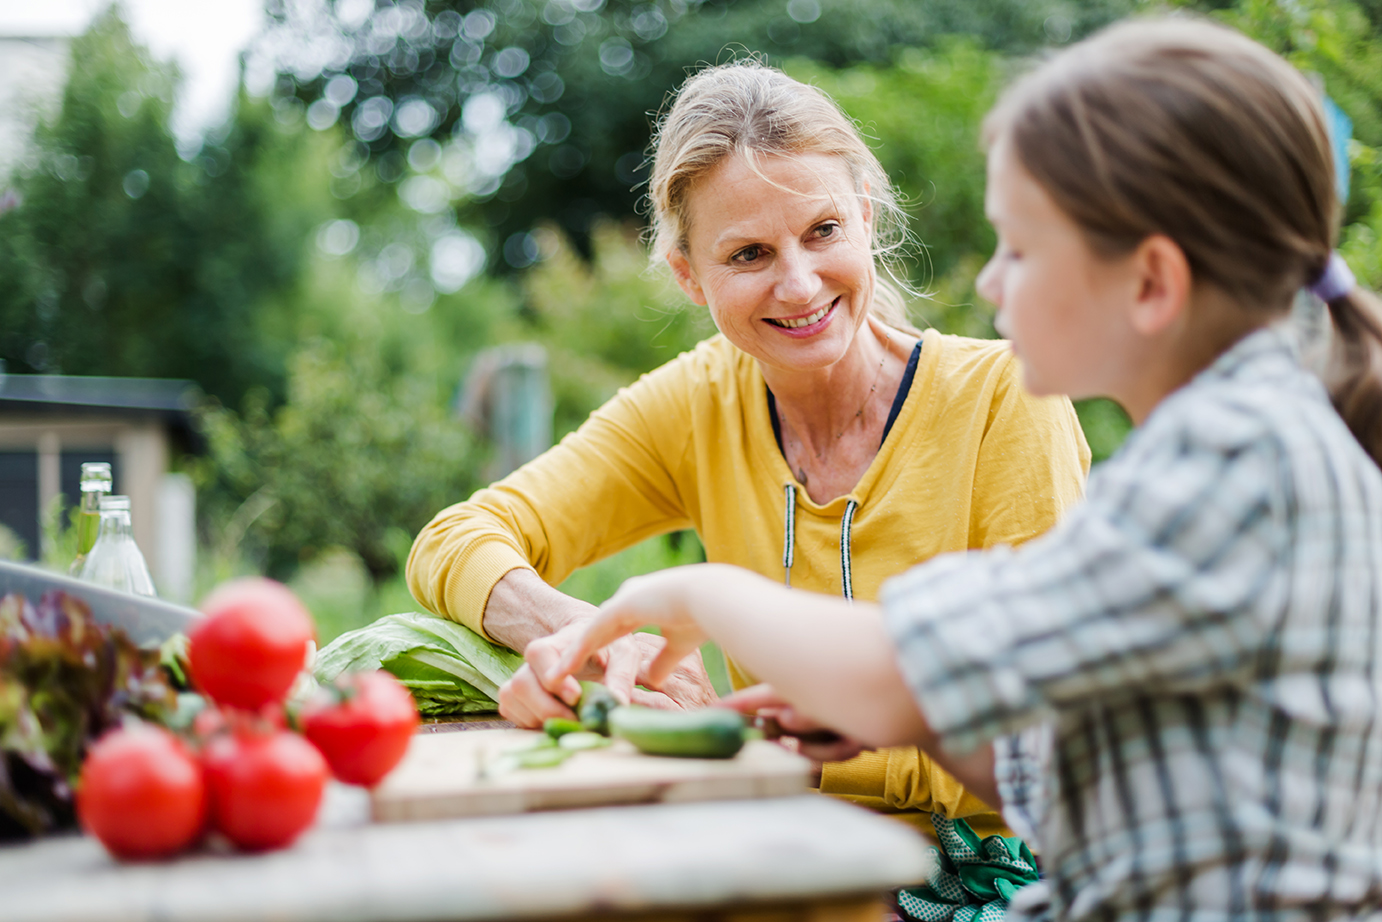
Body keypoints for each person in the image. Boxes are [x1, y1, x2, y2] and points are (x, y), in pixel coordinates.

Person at [545, 16, 1382, 922]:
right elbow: (1064, 745)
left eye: (1021, 249)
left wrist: (703, 597)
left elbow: (904, 667)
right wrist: (901, 723)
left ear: (1150, 283)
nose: (990, 285)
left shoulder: (1229, 466)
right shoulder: (1232, 439)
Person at [406, 60, 1090, 844]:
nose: (799, 286)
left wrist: (763, 752)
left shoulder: (1005, 398)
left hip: (985, 874)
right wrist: (583, 639)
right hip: (771, 848)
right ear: (689, 276)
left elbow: (1042, 743)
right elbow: (452, 540)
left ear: (865, 218)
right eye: (749, 255)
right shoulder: (699, 402)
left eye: (822, 231)